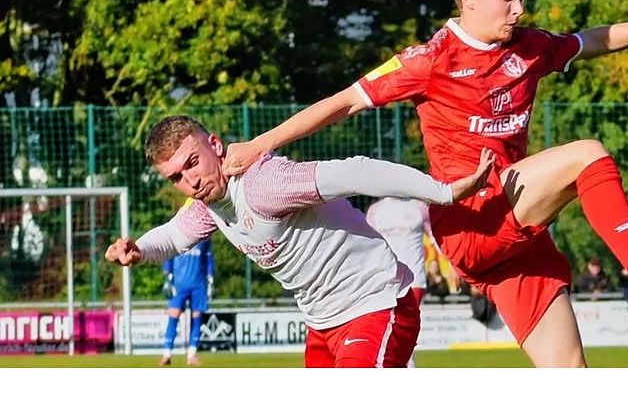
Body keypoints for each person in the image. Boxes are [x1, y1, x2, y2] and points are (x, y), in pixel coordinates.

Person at [222, 0, 628, 367]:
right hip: (469, 217)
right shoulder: (429, 60)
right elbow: (343, 103)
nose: (519, 9)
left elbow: (591, 40)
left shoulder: (528, 46)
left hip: (514, 238)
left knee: (570, 372)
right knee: (587, 153)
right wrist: (260, 144)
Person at [104, 115, 492, 368]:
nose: (189, 181)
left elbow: (356, 172)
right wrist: (138, 249)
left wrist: (442, 192)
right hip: (321, 325)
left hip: (376, 304)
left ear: (216, 146)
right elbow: (172, 235)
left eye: (192, 162)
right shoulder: (208, 203)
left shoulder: (264, 185)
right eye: (175, 176)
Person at [365, 197, 431, 305]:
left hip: (415, 280)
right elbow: (368, 246)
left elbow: (436, 240)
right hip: (385, 281)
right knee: (391, 321)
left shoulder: (420, 207)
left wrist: (453, 267)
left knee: (410, 321)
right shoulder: (375, 210)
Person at [159, 238, 214, 366]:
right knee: (173, 317)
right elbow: (168, 256)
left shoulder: (204, 238)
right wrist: (167, 278)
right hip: (179, 285)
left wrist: (211, 279)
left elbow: (208, 258)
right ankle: (167, 354)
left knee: (197, 318)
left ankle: (192, 355)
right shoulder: (177, 235)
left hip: (199, 285)